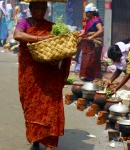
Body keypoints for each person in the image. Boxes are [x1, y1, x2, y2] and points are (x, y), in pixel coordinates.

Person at [13, 2, 71, 150]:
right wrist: (40, 39)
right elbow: (17, 35)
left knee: (50, 105)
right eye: (37, 8)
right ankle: (35, 139)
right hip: (30, 73)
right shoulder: (24, 22)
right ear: (31, 9)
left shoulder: (51, 26)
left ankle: (49, 143)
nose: (40, 11)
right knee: (32, 106)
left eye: (43, 8)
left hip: (49, 73)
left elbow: (62, 44)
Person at [77, 3, 104, 81]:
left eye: (87, 12)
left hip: (94, 43)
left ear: (91, 12)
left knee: (93, 60)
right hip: (88, 44)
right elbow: (85, 31)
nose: (86, 14)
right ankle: (88, 76)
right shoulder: (88, 20)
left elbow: (101, 30)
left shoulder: (96, 20)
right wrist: (78, 35)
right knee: (86, 60)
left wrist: (92, 36)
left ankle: (95, 76)